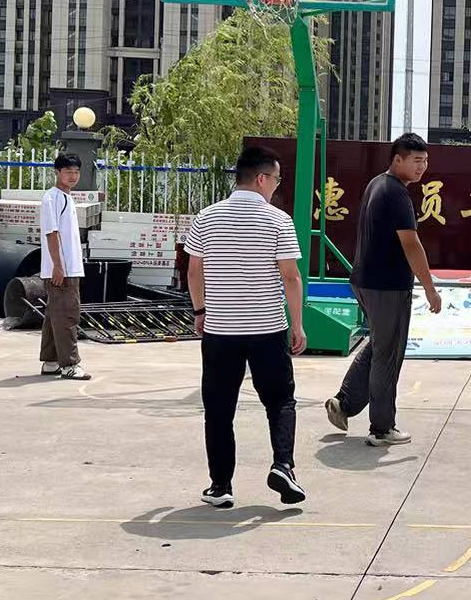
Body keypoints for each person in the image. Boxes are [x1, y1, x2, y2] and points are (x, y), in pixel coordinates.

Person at [185, 145, 307, 509]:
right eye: (277, 179)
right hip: (267, 328)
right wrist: (297, 325)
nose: (277, 186)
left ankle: (220, 486)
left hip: (221, 330)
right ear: (262, 179)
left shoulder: (206, 218)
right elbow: (291, 277)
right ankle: (283, 465)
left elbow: (194, 271)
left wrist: (200, 311)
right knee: (280, 400)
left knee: (219, 408)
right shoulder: (278, 220)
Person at [325, 133, 443, 447]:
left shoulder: (377, 184)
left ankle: (344, 403)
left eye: (425, 161)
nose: (422, 167)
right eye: (416, 160)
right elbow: (411, 244)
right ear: (397, 159)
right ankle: (381, 427)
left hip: (365, 280)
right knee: (387, 356)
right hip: (386, 286)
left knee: (379, 345)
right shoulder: (396, 194)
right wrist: (430, 288)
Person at [39, 152, 89, 381]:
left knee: (54, 315)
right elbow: (51, 233)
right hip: (62, 270)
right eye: (68, 172)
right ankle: (69, 364)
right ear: (57, 172)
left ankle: (51, 361)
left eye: (76, 172)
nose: (73, 176)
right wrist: (58, 266)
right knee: (68, 315)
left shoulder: (67, 198)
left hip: (68, 267)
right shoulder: (52, 198)